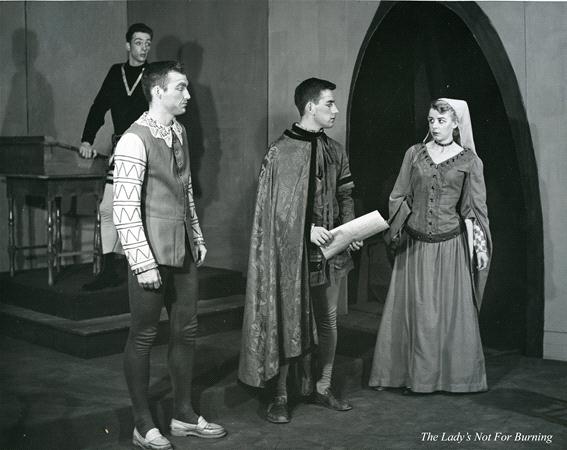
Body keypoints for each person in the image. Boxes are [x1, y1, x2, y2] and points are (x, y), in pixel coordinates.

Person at [113, 61, 226, 450]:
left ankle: (183, 414)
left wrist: (195, 234)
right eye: (181, 88)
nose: (188, 96)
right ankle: (142, 423)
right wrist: (142, 263)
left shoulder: (178, 131)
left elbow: (186, 187)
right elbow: (124, 207)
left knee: (186, 331)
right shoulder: (133, 139)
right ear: (158, 91)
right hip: (150, 252)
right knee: (143, 336)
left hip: (183, 251)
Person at [238, 78, 362, 424]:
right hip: (292, 257)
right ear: (310, 107)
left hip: (330, 255)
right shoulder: (280, 151)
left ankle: (322, 387)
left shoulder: (335, 150)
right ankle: (279, 395)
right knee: (286, 320)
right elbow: (271, 211)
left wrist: (350, 229)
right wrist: (306, 230)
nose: (335, 110)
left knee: (328, 321)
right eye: (329, 104)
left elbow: (345, 194)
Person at [369, 98, 491, 394]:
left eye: (441, 120)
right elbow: (399, 195)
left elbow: (474, 208)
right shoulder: (415, 154)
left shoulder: (469, 161)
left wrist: (480, 244)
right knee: (416, 313)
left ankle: (451, 379)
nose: (435, 126)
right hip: (415, 247)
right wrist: (400, 224)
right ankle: (406, 376)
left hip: (449, 249)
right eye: (431, 121)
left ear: (455, 124)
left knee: (446, 316)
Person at [80, 23, 153, 290]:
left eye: (147, 43)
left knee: (139, 210)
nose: (143, 48)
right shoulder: (115, 73)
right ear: (127, 45)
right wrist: (87, 139)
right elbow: (99, 107)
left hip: (147, 149)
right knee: (108, 209)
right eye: (138, 42)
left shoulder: (153, 75)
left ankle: (142, 269)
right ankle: (110, 270)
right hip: (120, 150)